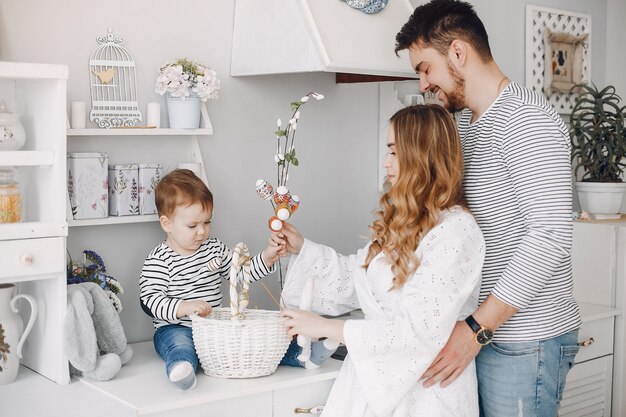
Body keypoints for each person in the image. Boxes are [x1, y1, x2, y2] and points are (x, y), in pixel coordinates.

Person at [394, 1, 581, 416]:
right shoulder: (465, 125)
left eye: (426, 68)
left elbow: (549, 238)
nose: (423, 84)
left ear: (458, 53)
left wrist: (476, 329)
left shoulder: (529, 120)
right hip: (485, 333)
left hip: (523, 341)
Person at [276, 104, 486, 417]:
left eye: (394, 152)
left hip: (428, 394)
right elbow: (358, 282)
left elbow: (419, 331)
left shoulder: (457, 232)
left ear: (421, 155)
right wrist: (302, 248)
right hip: (370, 382)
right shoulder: (404, 221)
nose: (386, 163)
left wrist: (327, 328)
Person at [139, 169, 280, 391]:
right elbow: (149, 301)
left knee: (251, 344)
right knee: (180, 346)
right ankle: (181, 369)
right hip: (176, 328)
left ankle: (301, 355)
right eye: (192, 226)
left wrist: (268, 257)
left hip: (213, 329)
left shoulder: (213, 248)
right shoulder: (160, 258)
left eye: (207, 222)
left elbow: (240, 275)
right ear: (167, 224)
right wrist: (184, 307)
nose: (202, 232)